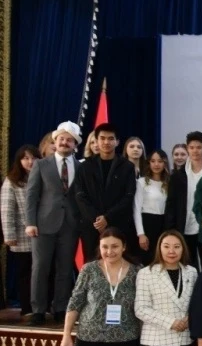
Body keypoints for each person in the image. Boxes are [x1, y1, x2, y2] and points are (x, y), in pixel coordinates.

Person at [26, 122, 81, 324]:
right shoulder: (41, 165)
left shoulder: (81, 167)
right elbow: (31, 196)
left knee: (65, 269)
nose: (65, 142)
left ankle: (60, 308)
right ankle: (38, 310)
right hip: (43, 225)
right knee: (40, 268)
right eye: (61, 139)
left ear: (75, 144)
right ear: (55, 142)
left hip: (70, 225)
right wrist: (30, 222)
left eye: (69, 140)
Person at [75, 123, 136, 261]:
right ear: (96, 141)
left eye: (110, 138)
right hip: (91, 226)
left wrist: (107, 218)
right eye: (102, 138)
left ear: (117, 142)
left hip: (119, 224)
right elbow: (80, 196)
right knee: (92, 264)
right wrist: (97, 220)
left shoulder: (127, 166)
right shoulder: (85, 166)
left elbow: (128, 196)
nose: (106, 142)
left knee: (119, 262)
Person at [2, 145, 40, 317]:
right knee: (25, 273)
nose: (30, 162)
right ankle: (27, 309)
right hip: (21, 236)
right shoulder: (12, 181)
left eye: (33, 158)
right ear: (19, 161)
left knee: (41, 273)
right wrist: (9, 234)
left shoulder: (42, 177)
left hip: (42, 235)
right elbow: (7, 209)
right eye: (26, 158)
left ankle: (42, 307)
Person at [165, 131, 202, 269]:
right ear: (187, 148)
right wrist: (170, 228)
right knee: (187, 266)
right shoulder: (178, 176)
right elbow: (171, 204)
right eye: (191, 147)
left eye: (199, 147)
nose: (195, 151)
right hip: (185, 226)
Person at [134, 149, 169, 265]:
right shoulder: (142, 182)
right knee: (147, 261)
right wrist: (141, 234)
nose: (156, 164)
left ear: (165, 163)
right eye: (153, 161)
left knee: (162, 261)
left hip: (164, 225)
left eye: (160, 161)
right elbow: (136, 209)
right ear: (149, 163)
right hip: (147, 224)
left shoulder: (169, 183)